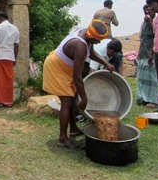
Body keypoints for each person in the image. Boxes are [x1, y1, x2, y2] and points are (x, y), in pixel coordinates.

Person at [42, 19, 114, 150]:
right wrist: (84, 98)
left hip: (65, 68)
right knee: (66, 102)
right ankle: (62, 139)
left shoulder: (86, 34)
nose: (99, 42)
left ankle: (73, 129)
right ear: (92, 36)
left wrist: (106, 62)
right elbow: (77, 76)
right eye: (98, 40)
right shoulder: (79, 46)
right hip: (56, 67)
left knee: (71, 98)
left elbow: (91, 53)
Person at [136, 4, 158, 108]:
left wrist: (150, 23)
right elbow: (141, 39)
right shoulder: (143, 23)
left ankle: (153, 100)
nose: (147, 14)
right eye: (146, 12)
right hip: (143, 53)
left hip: (151, 52)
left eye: (149, 12)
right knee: (141, 77)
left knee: (151, 78)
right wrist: (139, 54)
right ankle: (142, 98)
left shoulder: (156, 22)